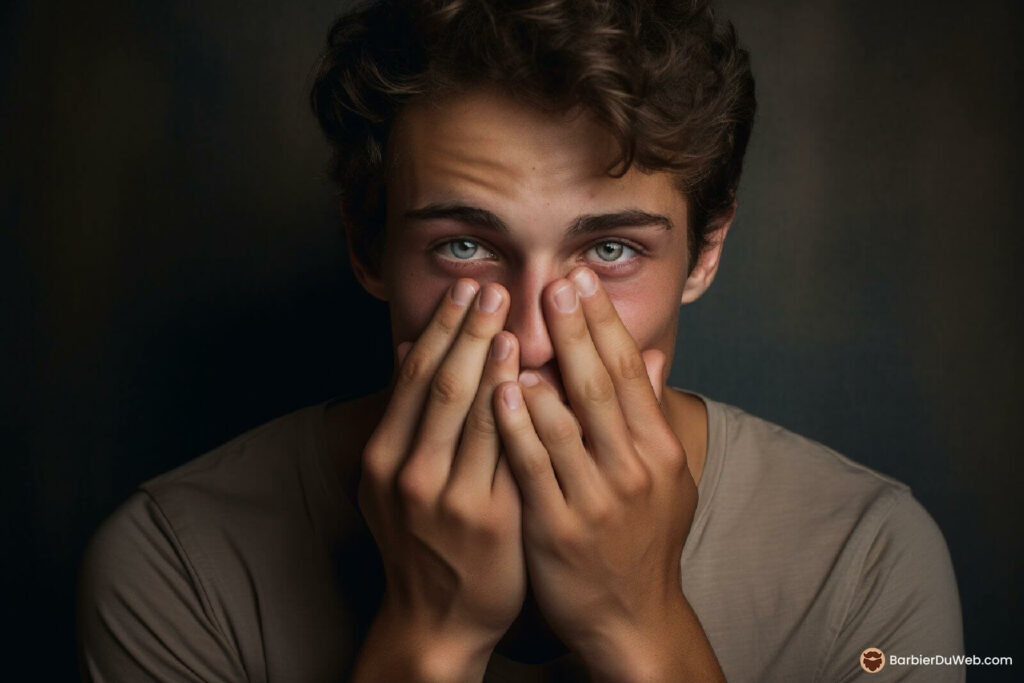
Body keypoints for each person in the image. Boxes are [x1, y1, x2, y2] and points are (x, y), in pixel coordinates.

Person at [77, 0, 964, 680]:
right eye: (465, 245)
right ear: (365, 242)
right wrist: (431, 638)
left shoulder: (868, 560)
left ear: (704, 255)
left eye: (610, 250)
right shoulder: (175, 563)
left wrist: (644, 630)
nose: (537, 336)